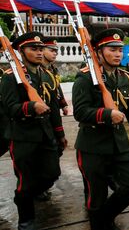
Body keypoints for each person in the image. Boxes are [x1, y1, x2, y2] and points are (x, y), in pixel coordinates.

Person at [72, 28, 129, 230]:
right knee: (97, 195)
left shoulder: (125, 77)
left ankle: (104, 218)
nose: (118, 54)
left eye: (119, 50)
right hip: (93, 145)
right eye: (112, 50)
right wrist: (106, 114)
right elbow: (79, 111)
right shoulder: (86, 78)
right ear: (98, 52)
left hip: (119, 143)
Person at [1, 32, 65, 230]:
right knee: (26, 181)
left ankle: (26, 196)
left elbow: (53, 107)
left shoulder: (46, 75)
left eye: (40, 49)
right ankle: (26, 220)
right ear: (21, 51)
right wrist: (30, 108)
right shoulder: (11, 77)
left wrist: (60, 133)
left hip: (46, 134)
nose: (38, 53)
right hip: (22, 137)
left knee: (52, 173)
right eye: (33, 49)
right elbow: (9, 107)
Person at [41, 38, 69, 117]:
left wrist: (63, 104)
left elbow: (57, 86)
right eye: (51, 51)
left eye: (55, 51)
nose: (55, 53)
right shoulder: (38, 69)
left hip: (55, 107)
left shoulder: (52, 68)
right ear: (42, 50)